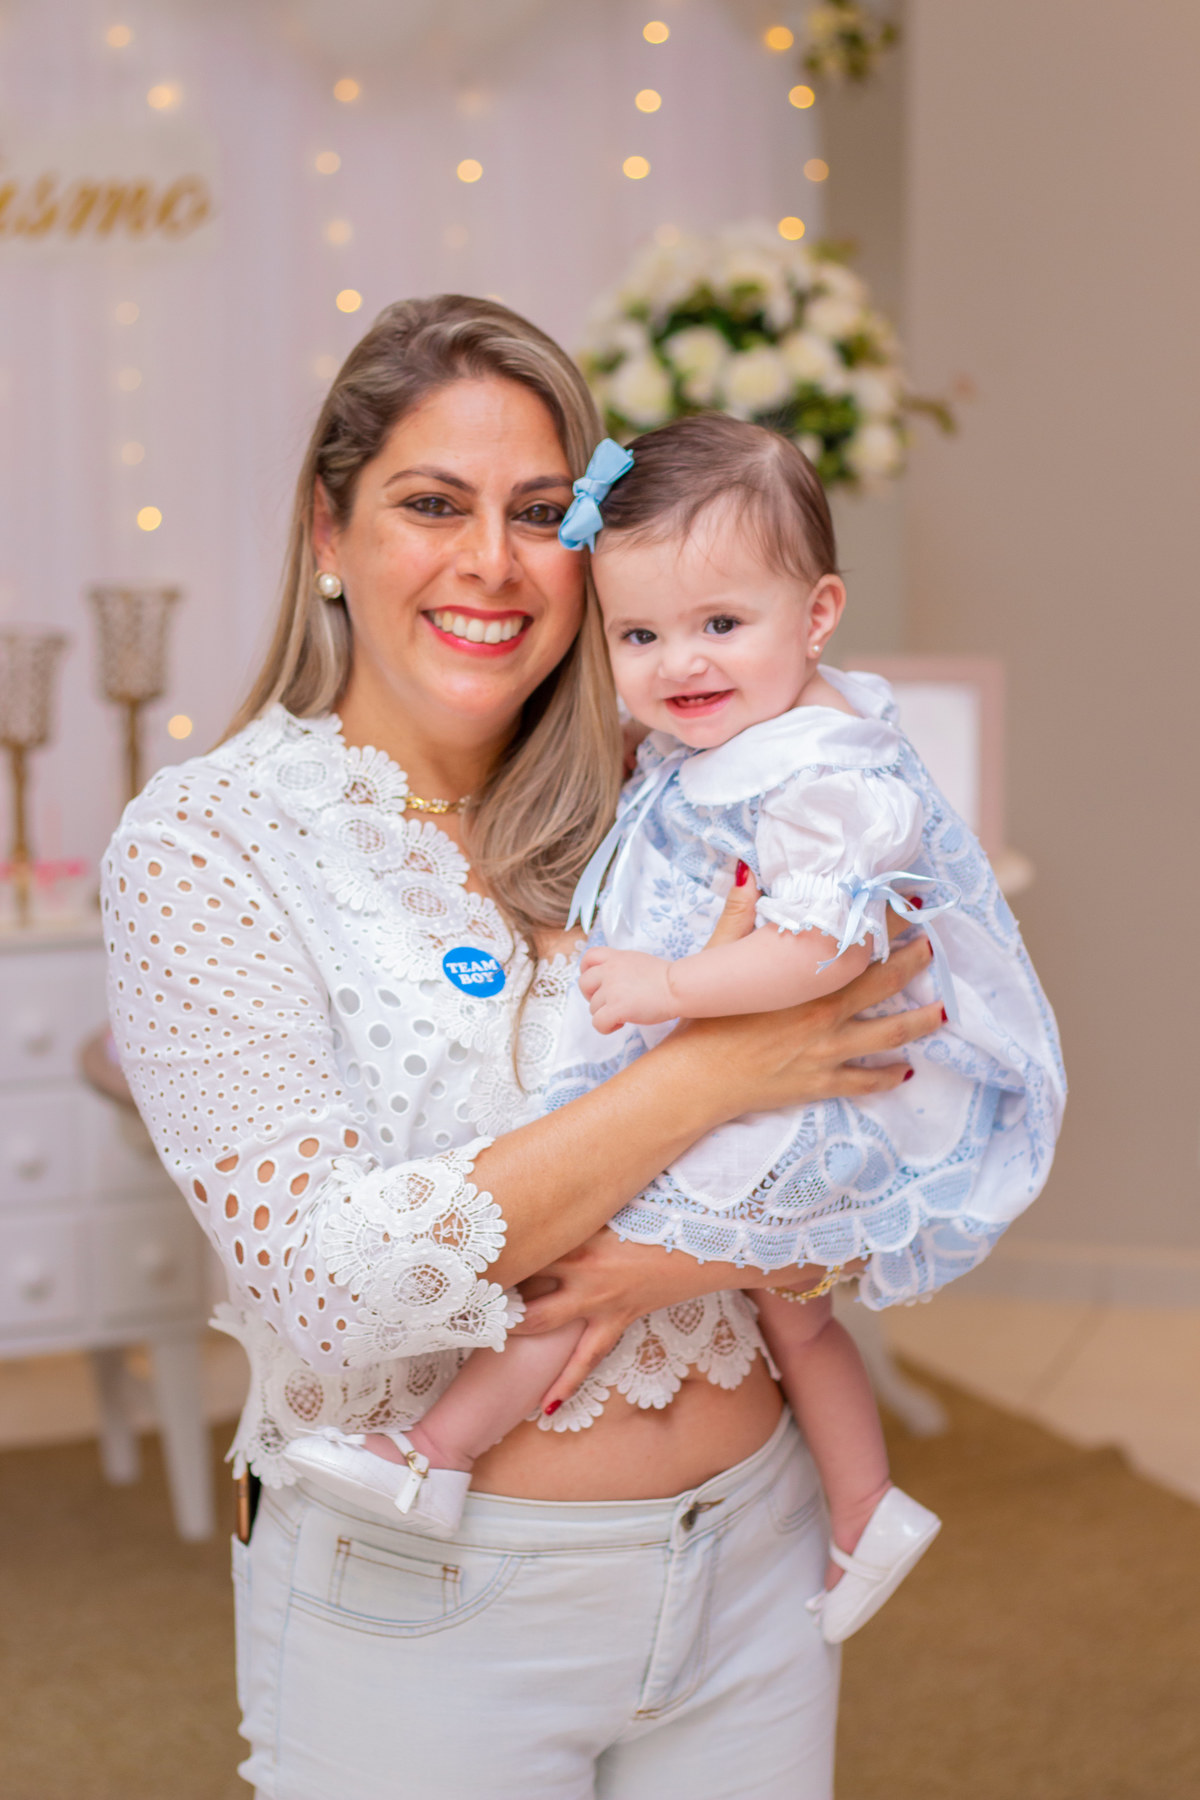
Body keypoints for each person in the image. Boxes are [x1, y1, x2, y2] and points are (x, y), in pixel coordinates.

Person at [103, 295, 947, 1800]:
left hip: (753, 1556)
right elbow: (341, 1286)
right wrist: (718, 1074)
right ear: (328, 532)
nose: (492, 561)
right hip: (422, 1604)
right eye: (434, 504)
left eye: (542, 514)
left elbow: (886, 1086)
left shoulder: (689, 772)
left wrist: (669, 1259)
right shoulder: (207, 845)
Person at [289, 415, 1064, 1647]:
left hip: (815, 1072)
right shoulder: (718, 746)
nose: (678, 661)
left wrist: (660, 989)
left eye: (719, 626)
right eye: (640, 634)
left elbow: (819, 952)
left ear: (816, 617)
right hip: (767, 1063)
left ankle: (430, 1450)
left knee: (586, 1251)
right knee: (796, 1318)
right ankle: (867, 1508)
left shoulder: (823, 773)